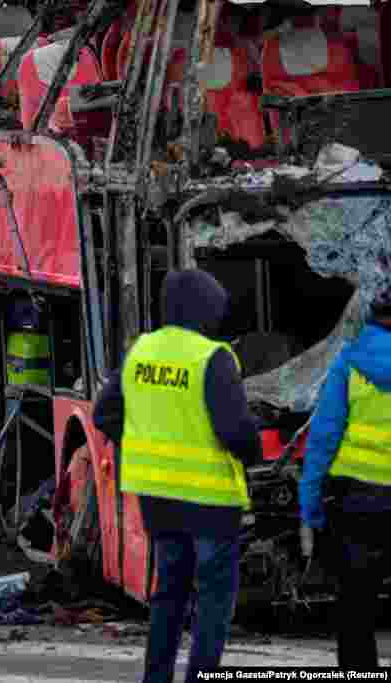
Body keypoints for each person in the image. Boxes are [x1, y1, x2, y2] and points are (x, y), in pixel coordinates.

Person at [92, 269, 261, 683]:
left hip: (157, 498)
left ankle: (157, 678)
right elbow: (234, 429)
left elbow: (104, 413)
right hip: (210, 500)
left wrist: (142, 444)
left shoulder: (141, 351)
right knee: (214, 600)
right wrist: (251, 455)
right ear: (208, 309)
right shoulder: (212, 357)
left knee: (168, 593)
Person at [299, 284, 391, 669]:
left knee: (356, 612)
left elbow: (322, 439)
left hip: (357, 506)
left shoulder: (349, 362)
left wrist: (311, 509)